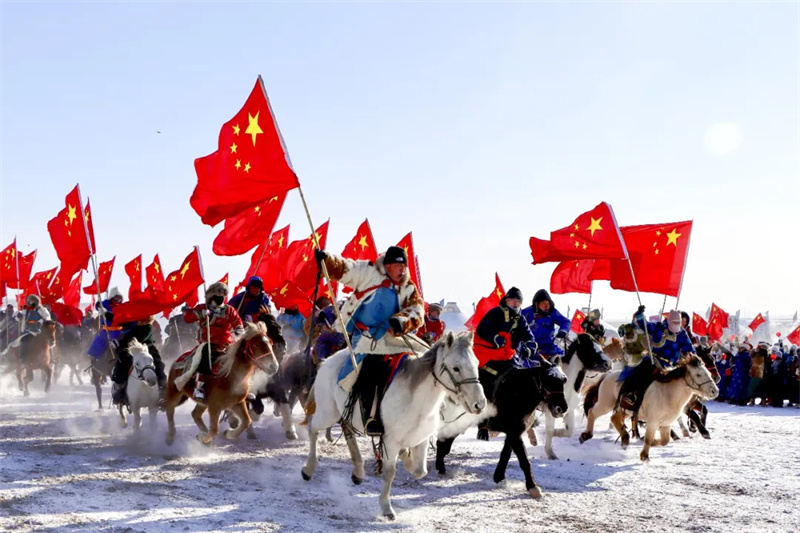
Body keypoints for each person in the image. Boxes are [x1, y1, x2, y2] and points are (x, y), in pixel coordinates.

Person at [314, 245, 424, 436]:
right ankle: (371, 417)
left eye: (404, 266)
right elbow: (346, 268)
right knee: (372, 366)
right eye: (398, 266)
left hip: (394, 337)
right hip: (367, 338)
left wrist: (402, 321)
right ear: (387, 265)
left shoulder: (408, 287)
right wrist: (327, 260)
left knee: (426, 361)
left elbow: (417, 309)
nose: (402, 270)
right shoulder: (368, 272)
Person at [473, 287, 538, 440]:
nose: (516, 303)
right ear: (507, 300)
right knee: (486, 383)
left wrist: (530, 347)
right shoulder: (495, 313)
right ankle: (483, 424)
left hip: (509, 357)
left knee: (523, 382)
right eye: (513, 300)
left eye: (519, 301)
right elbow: (482, 329)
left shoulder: (521, 319)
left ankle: (528, 418)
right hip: (490, 357)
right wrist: (495, 338)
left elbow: (529, 336)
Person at [617, 309, 696, 416]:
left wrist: (694, 359)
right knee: (644, 374)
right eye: (674, 322)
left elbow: (689, 349)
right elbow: (645, 325)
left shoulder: (682, 333)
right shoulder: (659, 327)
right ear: (669, 321)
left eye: (679, 323)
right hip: (655, 360)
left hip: (672, 365)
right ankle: (632, 394)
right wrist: (640, 315)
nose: (677, 325)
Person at [183, 282, 244, 402]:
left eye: (223, 295)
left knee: (242, 356)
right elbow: (188, 317)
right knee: (206, 357)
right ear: (211, 295)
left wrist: (239, 329)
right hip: (208, 340)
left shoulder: (229, 310)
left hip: (226, 342)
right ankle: (199, 387)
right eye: (218, 295)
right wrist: (200, 314)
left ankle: (243, 386)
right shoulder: (203, 307)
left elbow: (237, 321)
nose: (221, 298)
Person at [110, 316, 168, 406]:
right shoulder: (132, 323)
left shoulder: (148, 326)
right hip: (130, 348)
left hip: (147, 348)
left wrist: (121, 343)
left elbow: (139, 339)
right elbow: (122, 327)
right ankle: (120, 387)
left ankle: (162, 389)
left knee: (158, 364)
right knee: (122, 362)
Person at [521, 289, 571, 358]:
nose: (547, 306)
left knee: (565, 359)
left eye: (548, 304)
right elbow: (516, 320)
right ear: (536, 304)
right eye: (544, 303)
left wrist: (563, 330)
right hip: (531, 349)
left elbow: (565, 321)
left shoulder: (552, 312)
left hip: (549, 349)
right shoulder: (527, 312)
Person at [18, 295, 51, 363]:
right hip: (28, 330)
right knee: (24, 340)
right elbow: (18, 316)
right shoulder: (25, 310)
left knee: (48, 342)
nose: (31, 302)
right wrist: (19, 316)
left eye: (33, 301)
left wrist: (40, 322)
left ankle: (51, 358)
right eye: (30, 301)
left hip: (40, 331)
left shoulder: (42, 310)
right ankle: (23, 357)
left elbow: (47, 317)